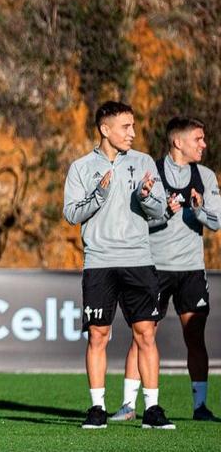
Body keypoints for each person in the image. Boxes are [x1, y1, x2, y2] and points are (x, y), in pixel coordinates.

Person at [63, 101, 174, 430]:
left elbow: (160, 213)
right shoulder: (81, 167)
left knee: (146, 335)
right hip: (98, 262)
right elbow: (71, 214)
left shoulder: (143, 163)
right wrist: (98, 194)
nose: (133, 133)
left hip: (138, 260)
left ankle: (151, 409)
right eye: (126, 127)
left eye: (133, 126)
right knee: (98, 335)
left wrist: (146, 196)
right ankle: (97, 408)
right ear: (104, 129)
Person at [109, 116, 219, 422]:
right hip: (153, 268)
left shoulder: (206, 176)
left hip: (191, 270)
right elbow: (140, 221)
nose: (204, 144)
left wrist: (198, 210)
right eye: (198, 139)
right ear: (178, 142)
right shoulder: (151, 172)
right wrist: (165, 214)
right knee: (143, 335)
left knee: (195, 337)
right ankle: (129, 405)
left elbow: (216, 221)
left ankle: (200, 407)